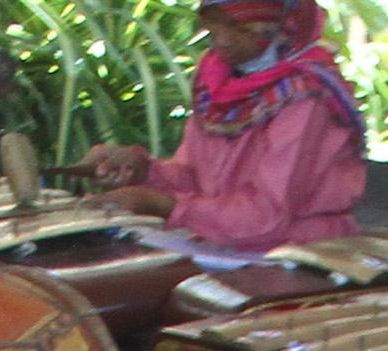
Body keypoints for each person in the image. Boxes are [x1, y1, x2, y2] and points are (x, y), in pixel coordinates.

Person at [74, 0, 364, 254]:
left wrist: (161, 204)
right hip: (225, 245)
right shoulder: (217, 77)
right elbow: (195, 178)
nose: (222, 39)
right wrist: (142, 170)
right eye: (213, 23)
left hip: (299, 255)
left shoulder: (306, 94)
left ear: (280, 25)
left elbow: (267, 215)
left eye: (239, 27)